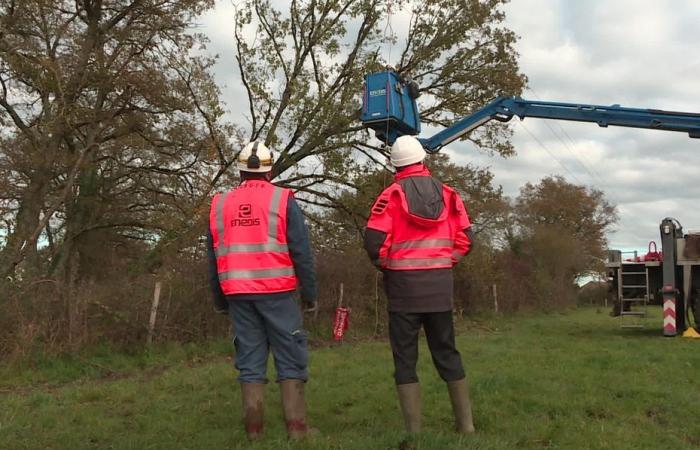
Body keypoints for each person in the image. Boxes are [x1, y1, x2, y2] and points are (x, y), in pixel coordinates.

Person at [363, 135, 475, 434]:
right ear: (423, 160)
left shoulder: (391, 195)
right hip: (439, 287)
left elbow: (374, 243)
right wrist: (445, 261)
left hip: (403, 289)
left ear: (395, 165)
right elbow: (467, 239)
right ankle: (466, 427)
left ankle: (414, 432)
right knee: (447, 352)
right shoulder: (449, 194)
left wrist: (387, 264)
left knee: (405, 359)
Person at [207, 141, 318, 440]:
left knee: (250, 361)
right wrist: (310, 295)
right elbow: (301, 252)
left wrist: (220, 301)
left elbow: (213, 257)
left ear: (240, 170)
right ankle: (297, 431)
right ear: (269, 170)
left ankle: (254, 433)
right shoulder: (282, 199)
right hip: (277, 292)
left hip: (237, 294)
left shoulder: (219, 204)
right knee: (290, 356)